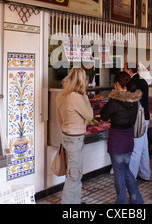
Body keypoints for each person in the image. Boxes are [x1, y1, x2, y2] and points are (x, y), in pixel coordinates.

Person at [100, 71, 144, 204]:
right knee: (126, 169)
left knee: (119, 171)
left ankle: (121, 202)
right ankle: (136, 199)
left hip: (117, 138)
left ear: (118, 84)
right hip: (128, 138)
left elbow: (103, 115)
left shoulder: (115, 101)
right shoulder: (134, 101)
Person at [56, 68, 94, 204]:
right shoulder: (77, 97)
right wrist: (85, 96)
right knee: (74, 175)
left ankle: (75, 202)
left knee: (73, 172)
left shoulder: (61, 95)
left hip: (66, 137)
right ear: (82, 80)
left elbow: (59, 119)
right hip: (75, 140)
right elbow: (90, 115)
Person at [124, 63, 151, 182]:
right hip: (145, 117)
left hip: (138, 119)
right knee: (143, 147)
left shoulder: (133, 82)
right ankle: (145, 173)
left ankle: (131, 176)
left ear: (129, 70)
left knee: (136, 149)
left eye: (124, 69)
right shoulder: (142, 80)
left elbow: (132, 102)